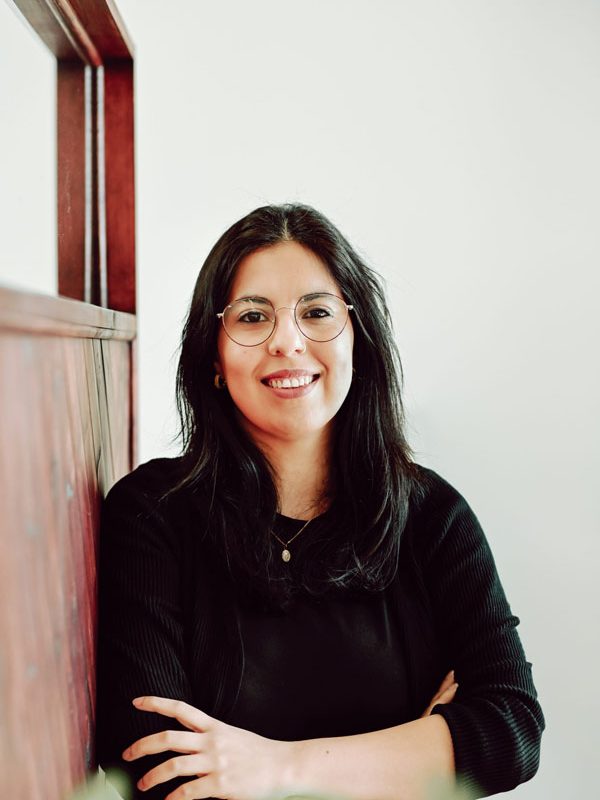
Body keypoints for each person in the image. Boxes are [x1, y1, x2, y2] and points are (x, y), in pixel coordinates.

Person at [95, 204, 545, 800]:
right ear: (213, 358)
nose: (288, 342)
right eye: (253, 316)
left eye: (317, 312)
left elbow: (511, 732)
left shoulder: (432, 516)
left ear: (359, 339)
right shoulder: (152, 513)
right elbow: (155, 766)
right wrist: (412, 755)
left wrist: (275, 766)